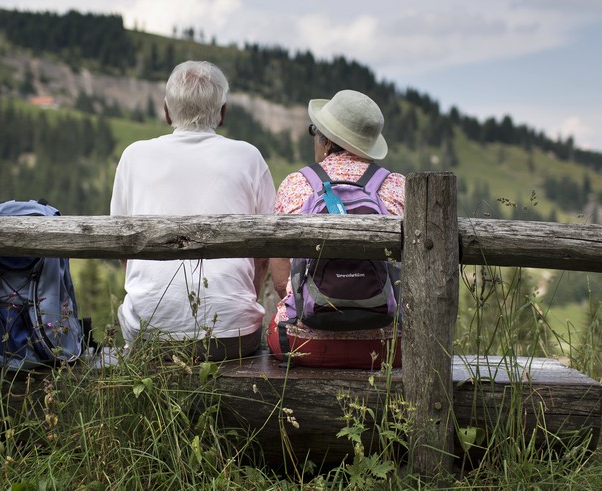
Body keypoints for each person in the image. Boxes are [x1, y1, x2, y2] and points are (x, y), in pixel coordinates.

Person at [110, 61, 276, 361]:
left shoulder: (133, 156)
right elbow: (265, 253)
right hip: (232, 335)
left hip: (149, 332)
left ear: (166, 110)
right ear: (222, 113)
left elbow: (123, 248)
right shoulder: (249, 157)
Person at [268, 89, 406, 369]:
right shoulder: (398, 187)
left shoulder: (296, 184)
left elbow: (282, 281)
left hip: (302, 342)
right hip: (388, 346)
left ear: (327, 140)